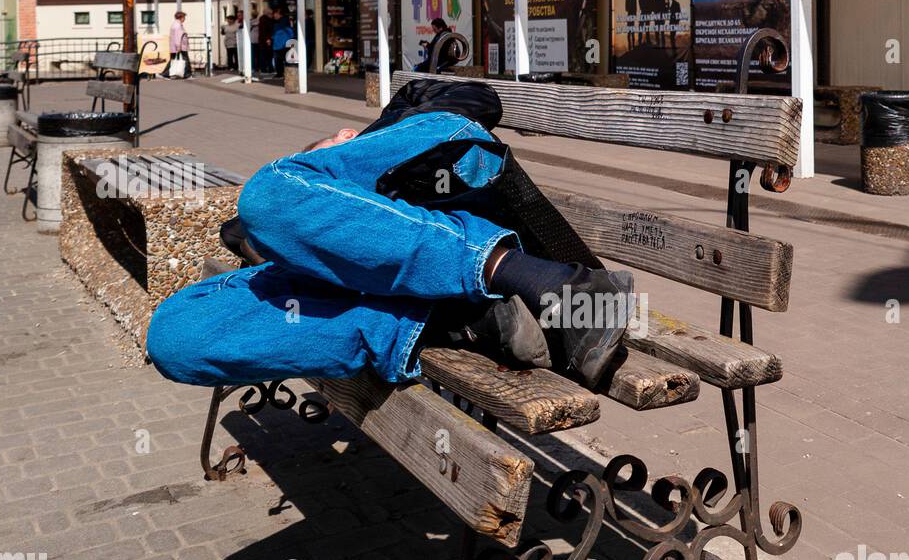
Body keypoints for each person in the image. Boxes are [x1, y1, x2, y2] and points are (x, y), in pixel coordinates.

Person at [146, 82, 635, 391]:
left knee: (268, 198)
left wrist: (376, 133)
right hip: (380, 280)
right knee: (173, 335)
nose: (336, 140)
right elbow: (245, 235)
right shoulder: (314, 213)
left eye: (328, 149)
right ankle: (457, 320)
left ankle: (554, 283)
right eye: (319, 156)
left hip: (451, 179)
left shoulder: (401, 119)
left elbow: (483, 100)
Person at [168, 10, 190, 79]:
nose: (185, 19)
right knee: (185, 60)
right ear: (181, 17)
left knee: (174, 60)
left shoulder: (174, 24)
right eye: (184, 17)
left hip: (174, 47)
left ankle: (170, 73)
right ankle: (186, 74)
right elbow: (178, 37)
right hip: (180, 46)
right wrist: (178, 47)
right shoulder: (178, 26)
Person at [271, 9, 292, 78]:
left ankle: (281, 73)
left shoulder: (282, 23)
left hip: (282, 44)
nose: (274, 15)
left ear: (280, 14)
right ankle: (282, 73)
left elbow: (288, 33)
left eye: (276, 14)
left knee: (280, 60)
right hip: (280, 44)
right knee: (280, 60)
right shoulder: (278, 22)